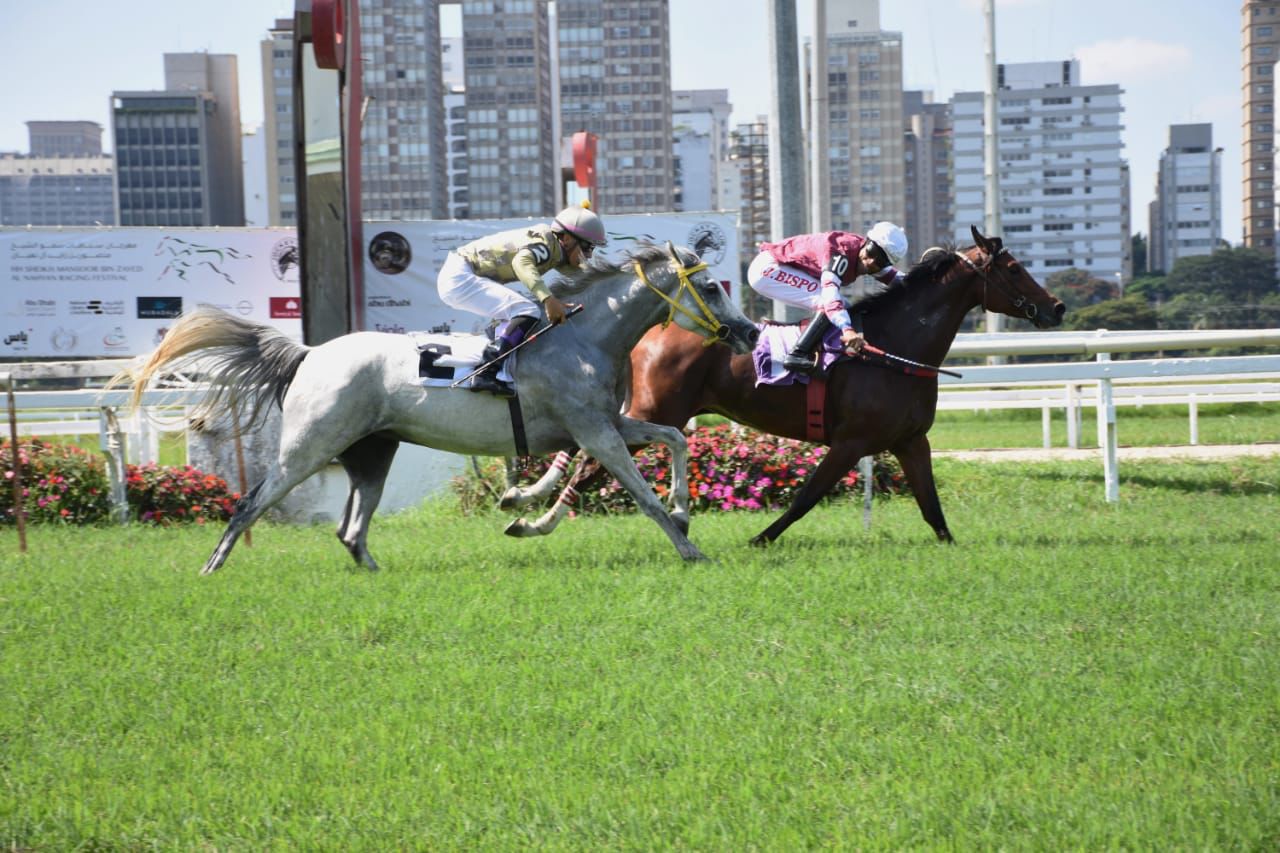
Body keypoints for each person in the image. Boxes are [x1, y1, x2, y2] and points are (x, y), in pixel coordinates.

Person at [437, 202, 607, 396]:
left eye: (592, 249)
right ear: (567, 239)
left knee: (520, 312)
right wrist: (548, 299)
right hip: (459, 276)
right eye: (586, 247)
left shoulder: (557, 249)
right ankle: (485, 372)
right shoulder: (545, 243)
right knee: (527, 311)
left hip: (461, 274)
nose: (589, 255)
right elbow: (522, 262)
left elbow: (584, 276)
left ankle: (495, 363)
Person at [747, 221, 909, 375]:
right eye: (872, 252)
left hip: (780, 267)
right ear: (867, 241)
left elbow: (898, 279)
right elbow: (830, 298)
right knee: (833, 303)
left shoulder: (865, 254)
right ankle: (797, 355)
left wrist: (928, 277)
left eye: (880, 262)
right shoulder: (840, 252)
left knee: (842, 306)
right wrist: (848, 331)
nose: (871, 262)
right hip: (768, 269)